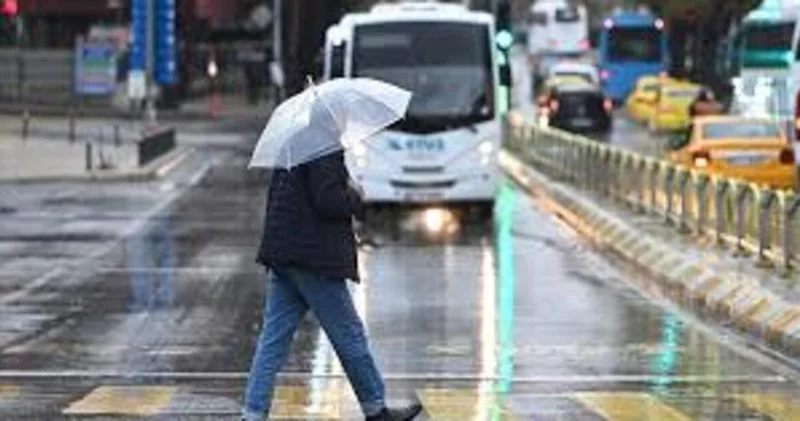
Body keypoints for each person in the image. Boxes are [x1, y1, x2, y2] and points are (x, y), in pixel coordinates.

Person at [242, 108, 422, 421]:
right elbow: (327, 200)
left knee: (273, 340)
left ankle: (253, 414)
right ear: (333, 118)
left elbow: (282, 196)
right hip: (314, 259)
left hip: (284, 254)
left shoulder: (293, 141)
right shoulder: (325, 146)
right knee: (349, 334)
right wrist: (355, 197)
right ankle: (376, 410)